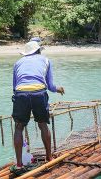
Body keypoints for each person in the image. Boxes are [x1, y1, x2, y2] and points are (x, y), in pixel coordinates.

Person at [10, 40, 65, 174]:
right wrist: (59, 89)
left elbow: (14, 87)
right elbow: (51, 86)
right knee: (42, 124)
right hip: (38, 94)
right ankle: (49, 157)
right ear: (38, 51)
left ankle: (18, 165)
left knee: (19, 127)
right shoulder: (45, 60)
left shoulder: (18, 63)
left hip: (21, 94)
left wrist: (22, 97)